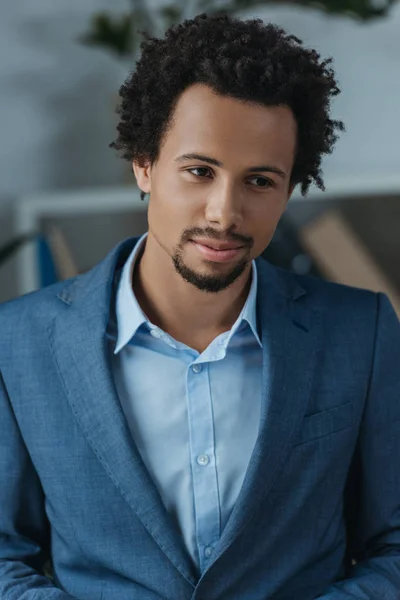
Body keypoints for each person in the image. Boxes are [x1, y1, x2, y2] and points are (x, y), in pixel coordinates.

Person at [0, 11, 399, 600]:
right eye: (198, 171)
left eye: (260, 181)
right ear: (143, 163)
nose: (223, 212)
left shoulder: (359, 333)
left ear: (289, 189)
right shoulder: (18, 342)